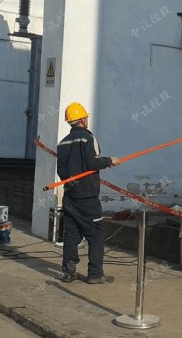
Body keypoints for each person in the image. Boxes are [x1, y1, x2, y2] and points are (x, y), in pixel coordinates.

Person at [57, 102, 120, 284]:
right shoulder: (88, 138)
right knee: (96, 234)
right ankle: (95, 274)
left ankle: (68, 273)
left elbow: (62, 171)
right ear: (83, 119)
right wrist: (110, 161)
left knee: (71, 236)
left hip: (70, 196)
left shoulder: (62, 143)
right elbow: (92, 163)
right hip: (88, 197)